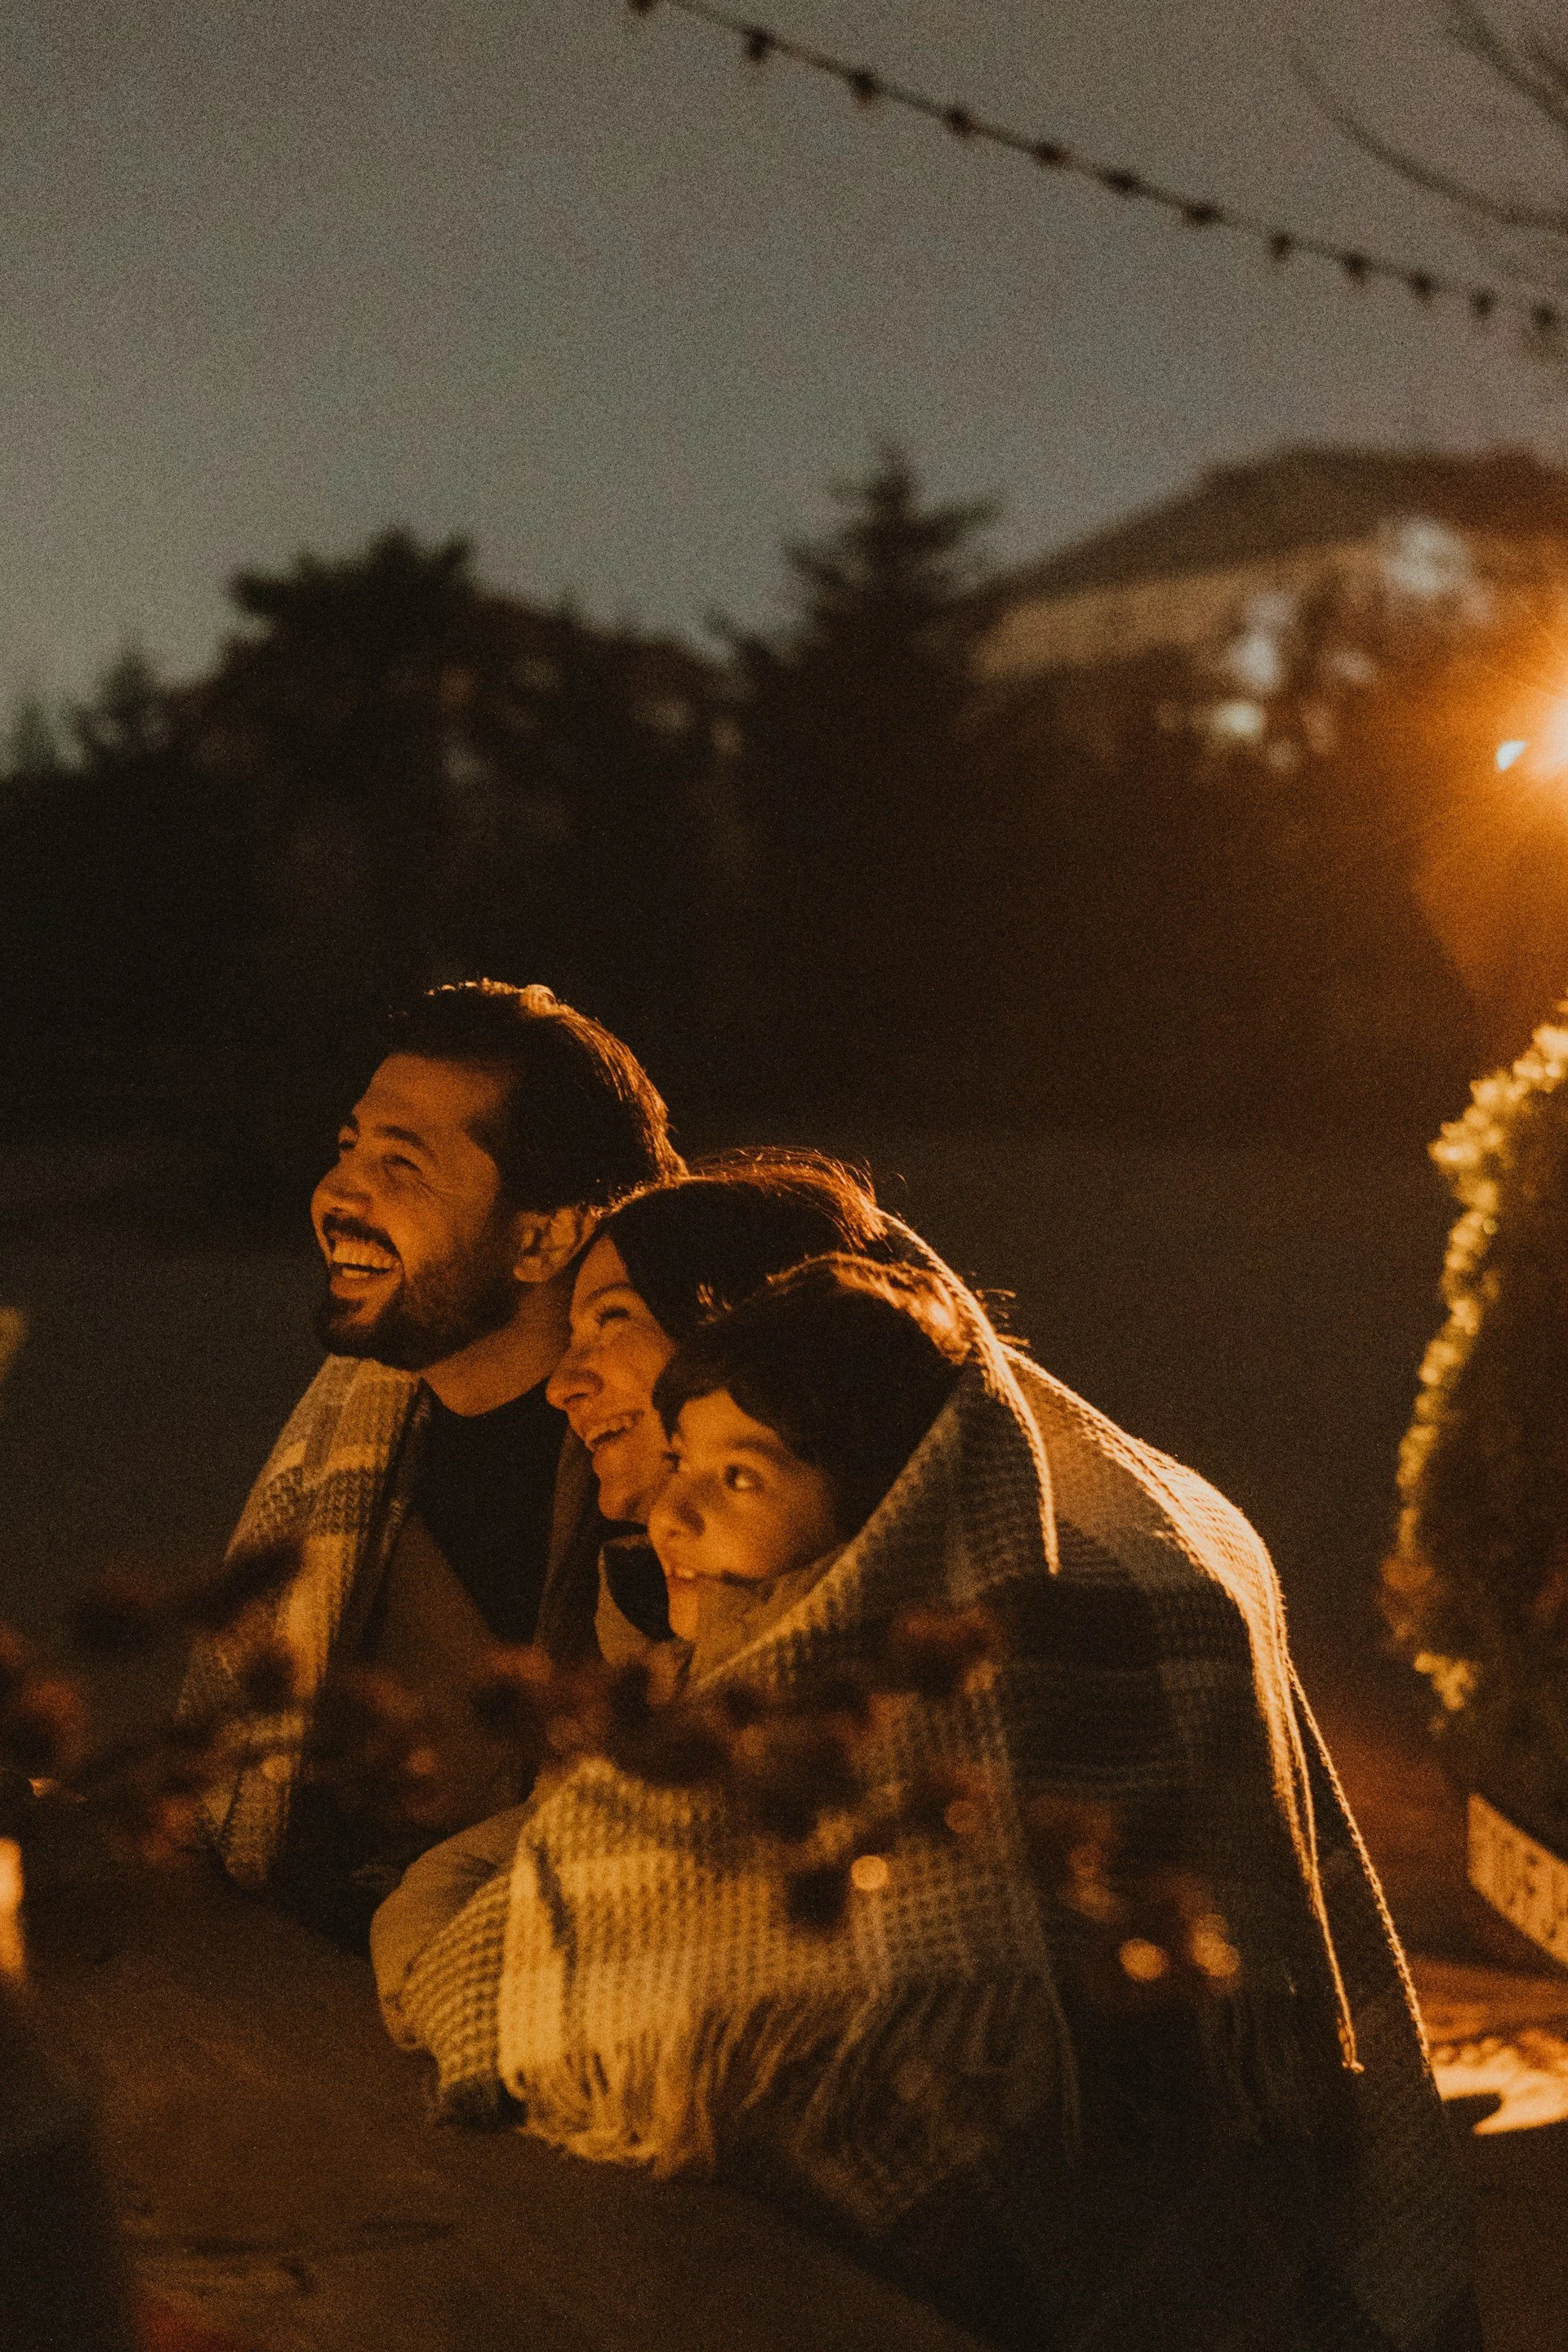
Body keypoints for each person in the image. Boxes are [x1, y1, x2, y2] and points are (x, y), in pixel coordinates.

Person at [375, 1205, 1479, 2351]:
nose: (673, 1505)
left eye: (611, 1322)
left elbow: (498, 1978)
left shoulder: (966, 1664)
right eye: (685, 1461)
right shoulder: (727, 1656)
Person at [181, 978, 681, 1939]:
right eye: (347, 1150)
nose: (338, 1195)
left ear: (543, 1236)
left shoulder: (663, 1475)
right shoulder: (362, 1444)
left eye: (399, 1165)